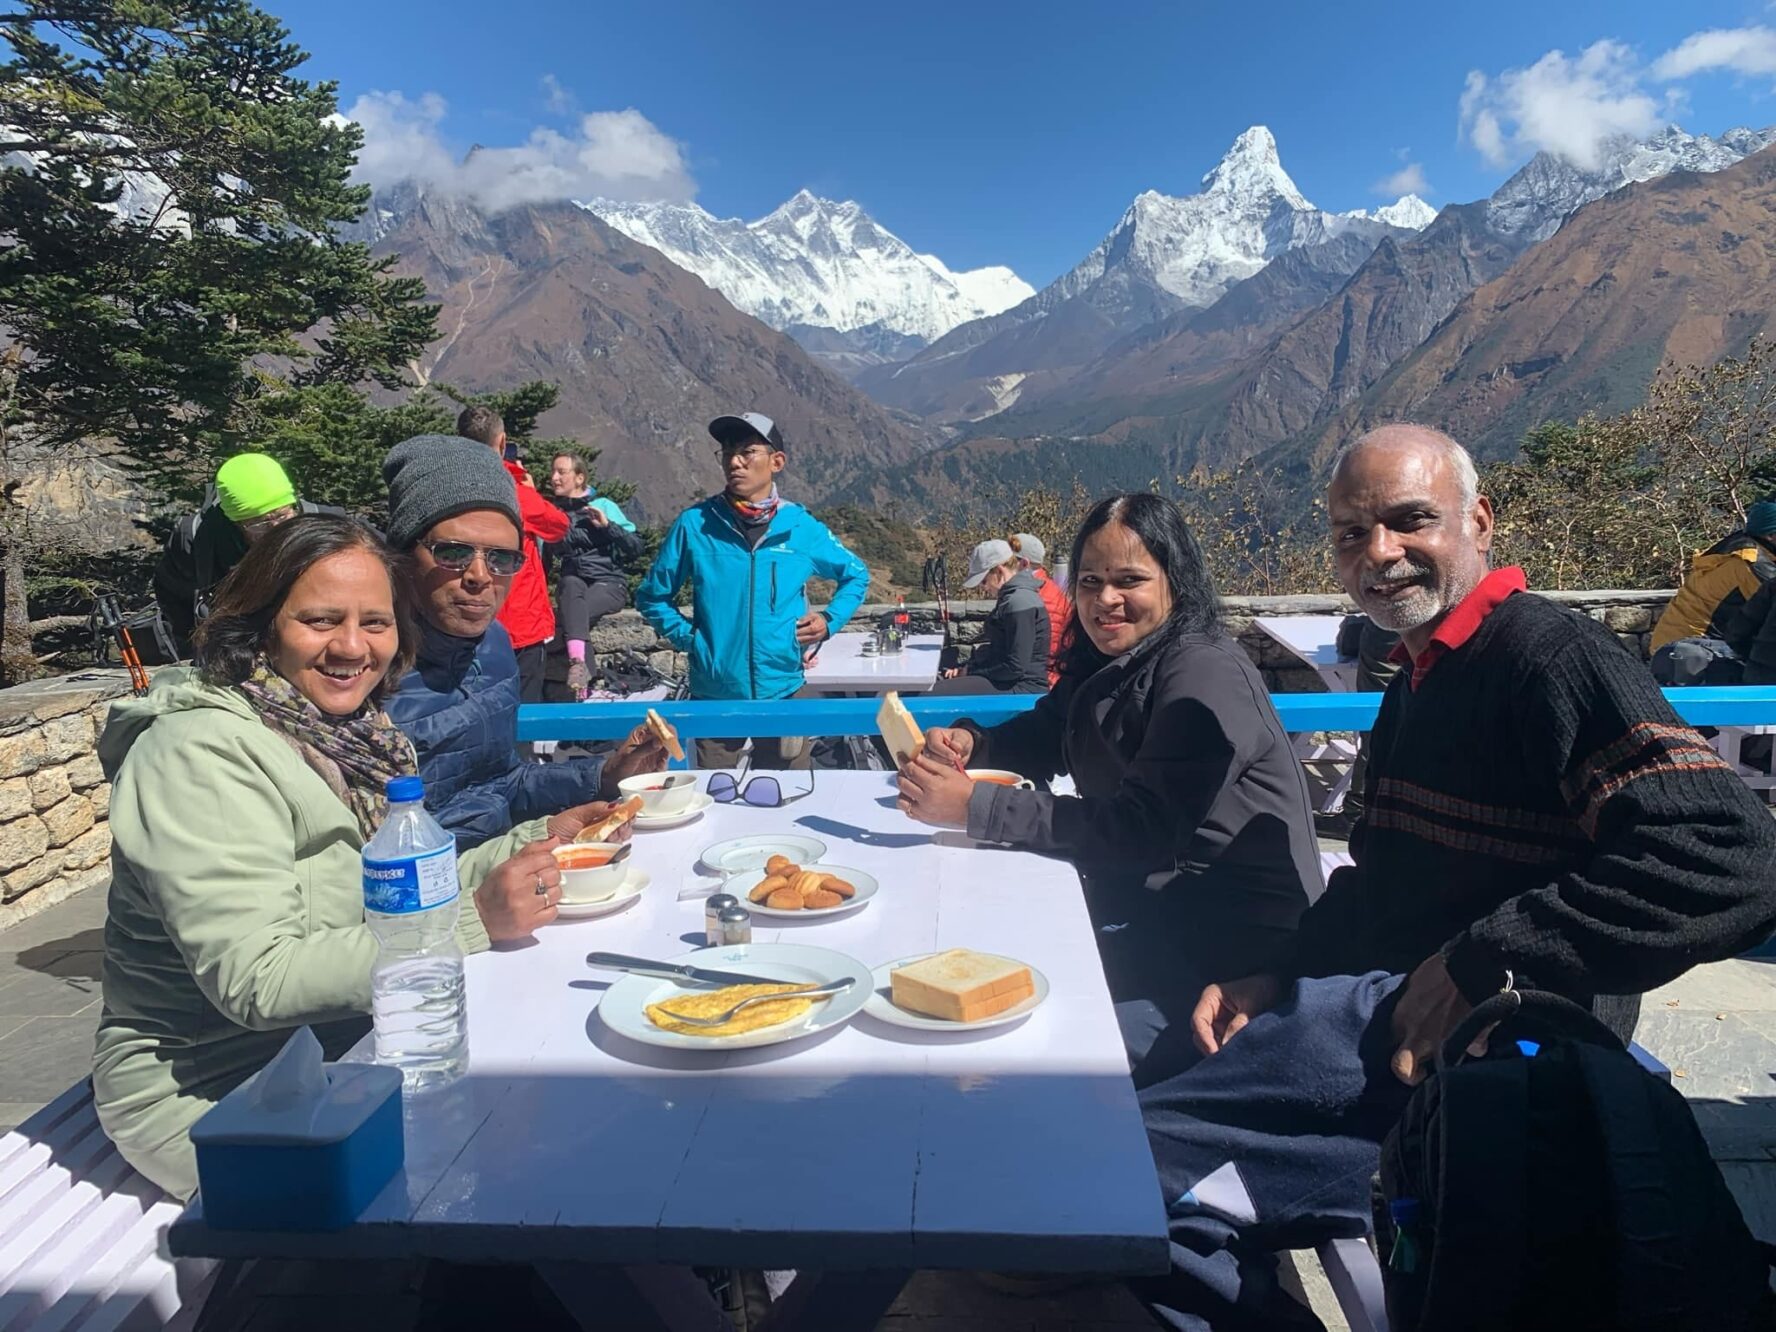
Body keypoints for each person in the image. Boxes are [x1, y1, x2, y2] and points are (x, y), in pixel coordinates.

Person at [1131, 424, 1776, 1331]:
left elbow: (1733, 857)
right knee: (1134, 1116)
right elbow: (1383, 879)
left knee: (1121, 1170)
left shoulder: (1551, 661)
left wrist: (1487, 957)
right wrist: (1275, 968)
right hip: (1385, 1029)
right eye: (1352, 533)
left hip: (1496, 1061)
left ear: (1480, 520)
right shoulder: (1418, 679)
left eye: (1410, 521)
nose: (1379, 553)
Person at [93, 515, 632, 1199]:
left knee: (573, 1116)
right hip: (219, 1095)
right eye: (321, 620)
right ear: (260, 626)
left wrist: (543, 837)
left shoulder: (345, 736)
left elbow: (405, 885)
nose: (353, 647)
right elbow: (259, 980)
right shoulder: (199, 755)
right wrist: (472, 922)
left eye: (375, 623)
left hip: (346, 1052)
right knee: (528, 1162)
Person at [898, 495, 1321, 1068]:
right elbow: (1052, 728)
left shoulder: (1203, 673)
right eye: (1091, 581)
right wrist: (976, 742)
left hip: (1233, 962)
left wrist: (977, 806)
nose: (1106, 600)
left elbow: (1143, 830)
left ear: (1176, 579)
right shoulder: (1113, 658)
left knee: (1020, 1041)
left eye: (1130, 580)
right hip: (1152, 914)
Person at [380, 435, 670, 848]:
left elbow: (503, 784)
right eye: (453, 552)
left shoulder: (494, 647)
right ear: (404, 554)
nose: (480, 575)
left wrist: (602, 775)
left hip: (504, 879)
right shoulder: (359, 667)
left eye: (501, 558)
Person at [636, 411, 869, 770]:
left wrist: (829, 620)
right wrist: (692, 640)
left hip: (784, 691)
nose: (734, 462)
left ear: (777, 462)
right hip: (715, 695)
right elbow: (652, 596)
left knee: (784, 797)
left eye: (747, 452)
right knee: (716, 803)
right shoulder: (695, 525)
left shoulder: (800, 527)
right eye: (728, 452)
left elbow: (856, 575)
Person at [152, 453, 343, 656]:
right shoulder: (198, 540)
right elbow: (171, 595)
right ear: (235, 522)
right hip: (233, 656)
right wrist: (197, 648)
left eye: (283, 515)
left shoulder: (331, 527)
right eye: (260, 523)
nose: (276, 528)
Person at [455, 405, 570, 710]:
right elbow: (558, 525)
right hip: (518, 623)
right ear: (503, 442)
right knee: (522, 716)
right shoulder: (513, 489)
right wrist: (527, 487)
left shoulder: (446, 485)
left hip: (460, 621)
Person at [546, 451, 643, 700]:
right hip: (573, 587)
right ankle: (581, 672)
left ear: (579, 478)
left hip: (609, 584)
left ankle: (581, 683)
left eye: (561, 472)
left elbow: (635, 548)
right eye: (553, 472)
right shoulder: (552, 514)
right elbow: (544, 560)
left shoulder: (603, 506)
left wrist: (608, 527)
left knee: (572, 617)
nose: (554, 478)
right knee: (568, 583)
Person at [1649, 501, 1776, 653]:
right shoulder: (1752, 565)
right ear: (1770, 536)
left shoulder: (1737, 546)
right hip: (1692, 653)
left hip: (1675, 645)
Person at [933, 539, 1050, 695]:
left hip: (1022, 687)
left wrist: (972, 673)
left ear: (999, 571)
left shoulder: (1019, 602)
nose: (984, 588)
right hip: (1008, 681)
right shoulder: (1012, 598)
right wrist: (971, 669)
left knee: (930, 695)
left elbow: (1015, 666)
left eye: (983, 581)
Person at [1011, 531, 1073, 685]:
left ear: (1024, 564)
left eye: (1008, 562)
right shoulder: (1045, 589)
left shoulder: (1039, 596)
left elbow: (1046, 650)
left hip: (1044, 680)